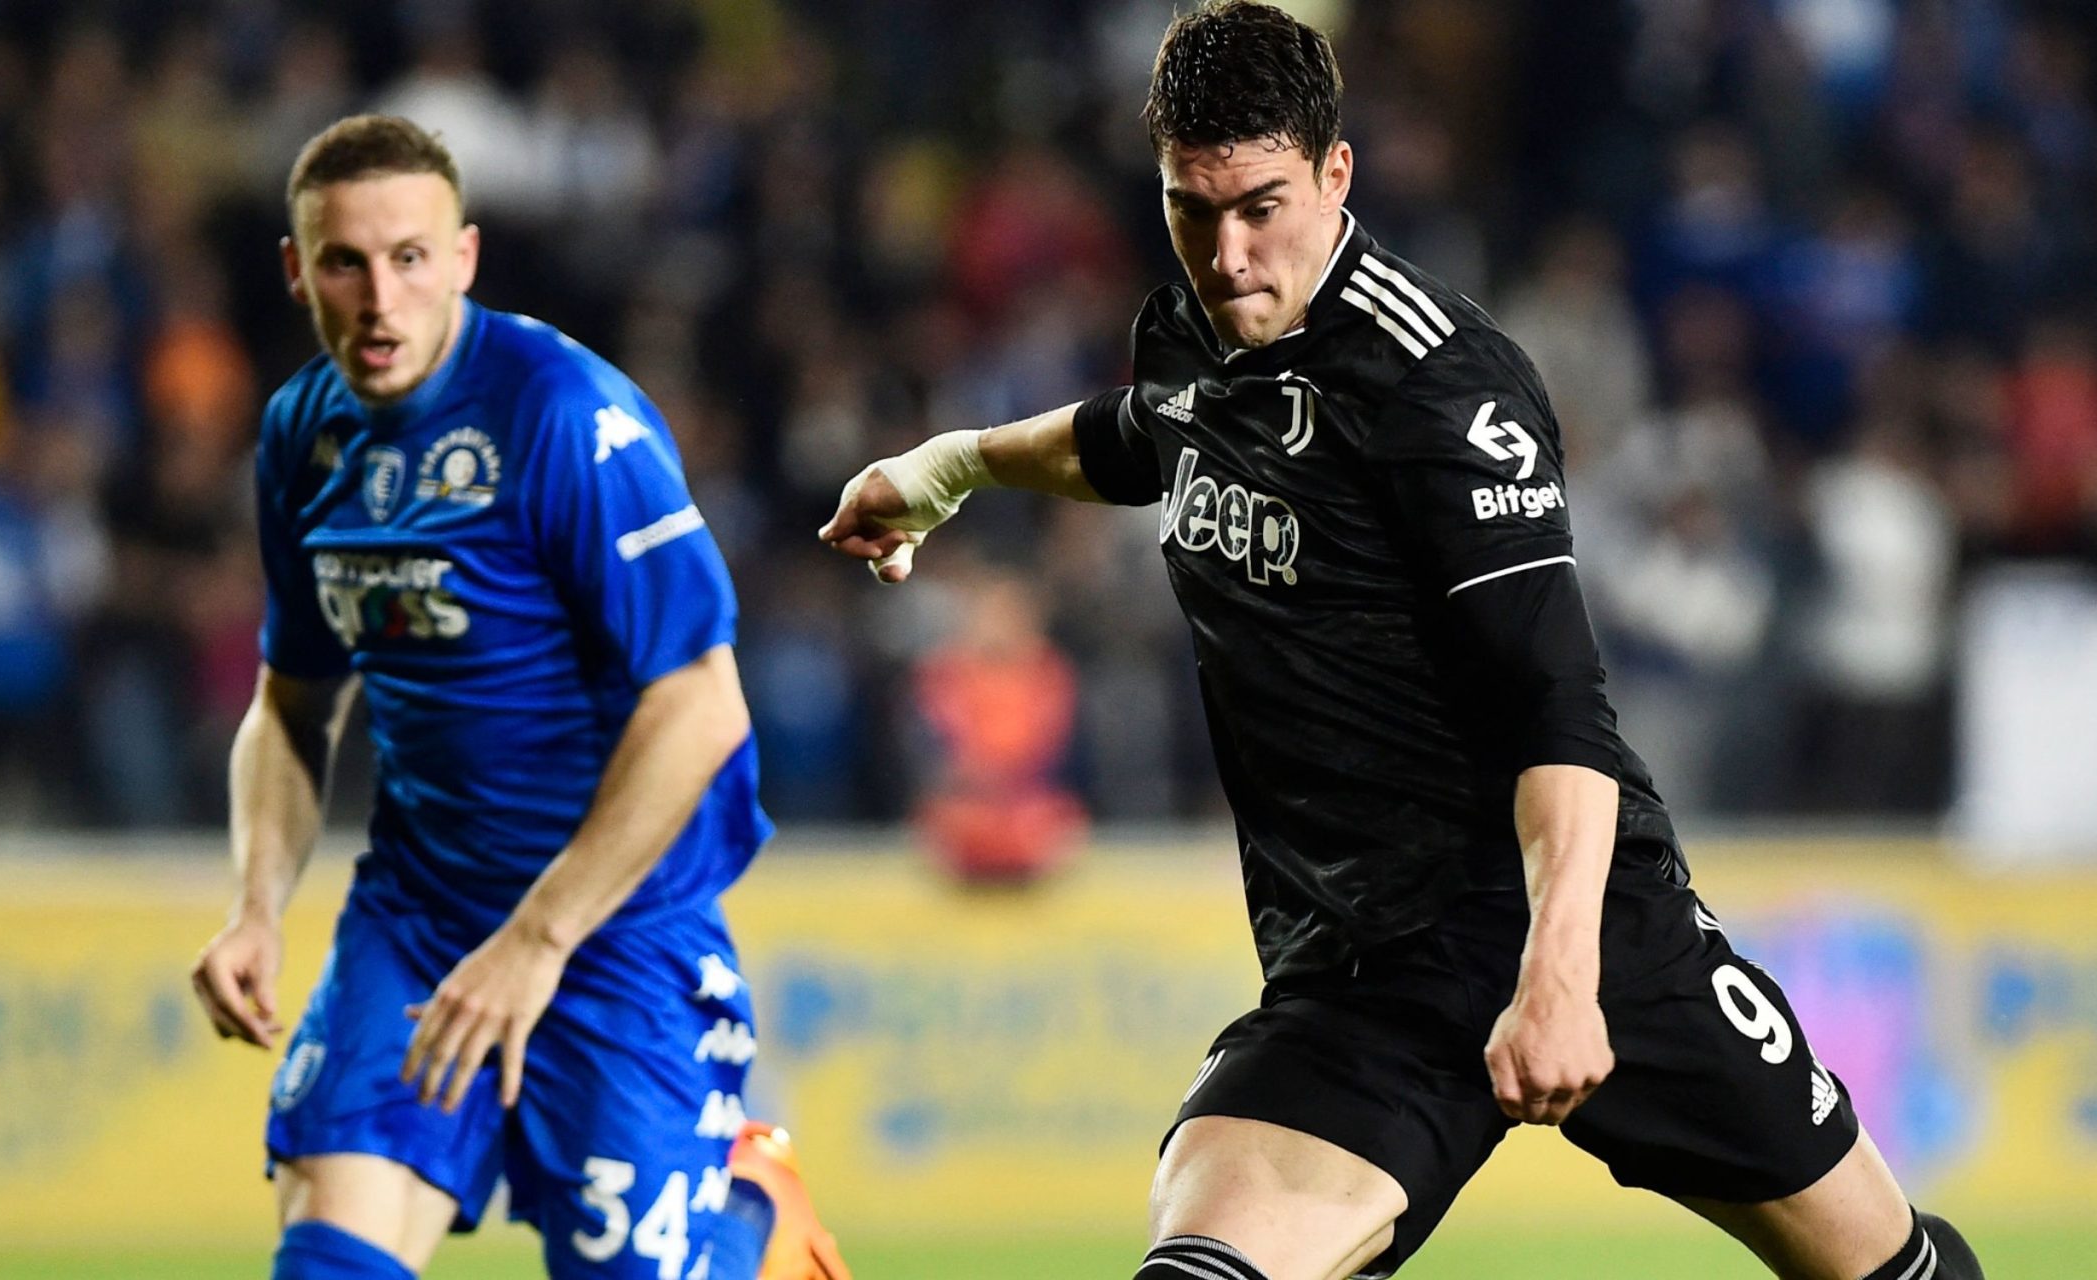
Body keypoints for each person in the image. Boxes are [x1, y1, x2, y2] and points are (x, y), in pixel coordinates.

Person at [819, 6, 1983, 1280]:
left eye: (1260, 207)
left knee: (1886, 1271)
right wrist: (952, 466)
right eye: (1190, 212)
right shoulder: (1200, 332)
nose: (1228, 256)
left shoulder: (1437, 386)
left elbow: (1556, 704)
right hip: (1359, 967)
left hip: (1568, 916)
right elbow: (1135, 434)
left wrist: (1559, 974)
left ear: (1336, 173)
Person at [190, 114, 846, 1280]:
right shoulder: (301, 435)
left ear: (464, 258)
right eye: (344, 262)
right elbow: (291, 702)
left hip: (614, 929)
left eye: (409, 258)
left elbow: (703, 705)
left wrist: (538, 938)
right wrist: (255, 906)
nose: (378, 300)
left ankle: (753, 1216)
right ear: (295, 269)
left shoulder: (563, 412)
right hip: (421, 917)